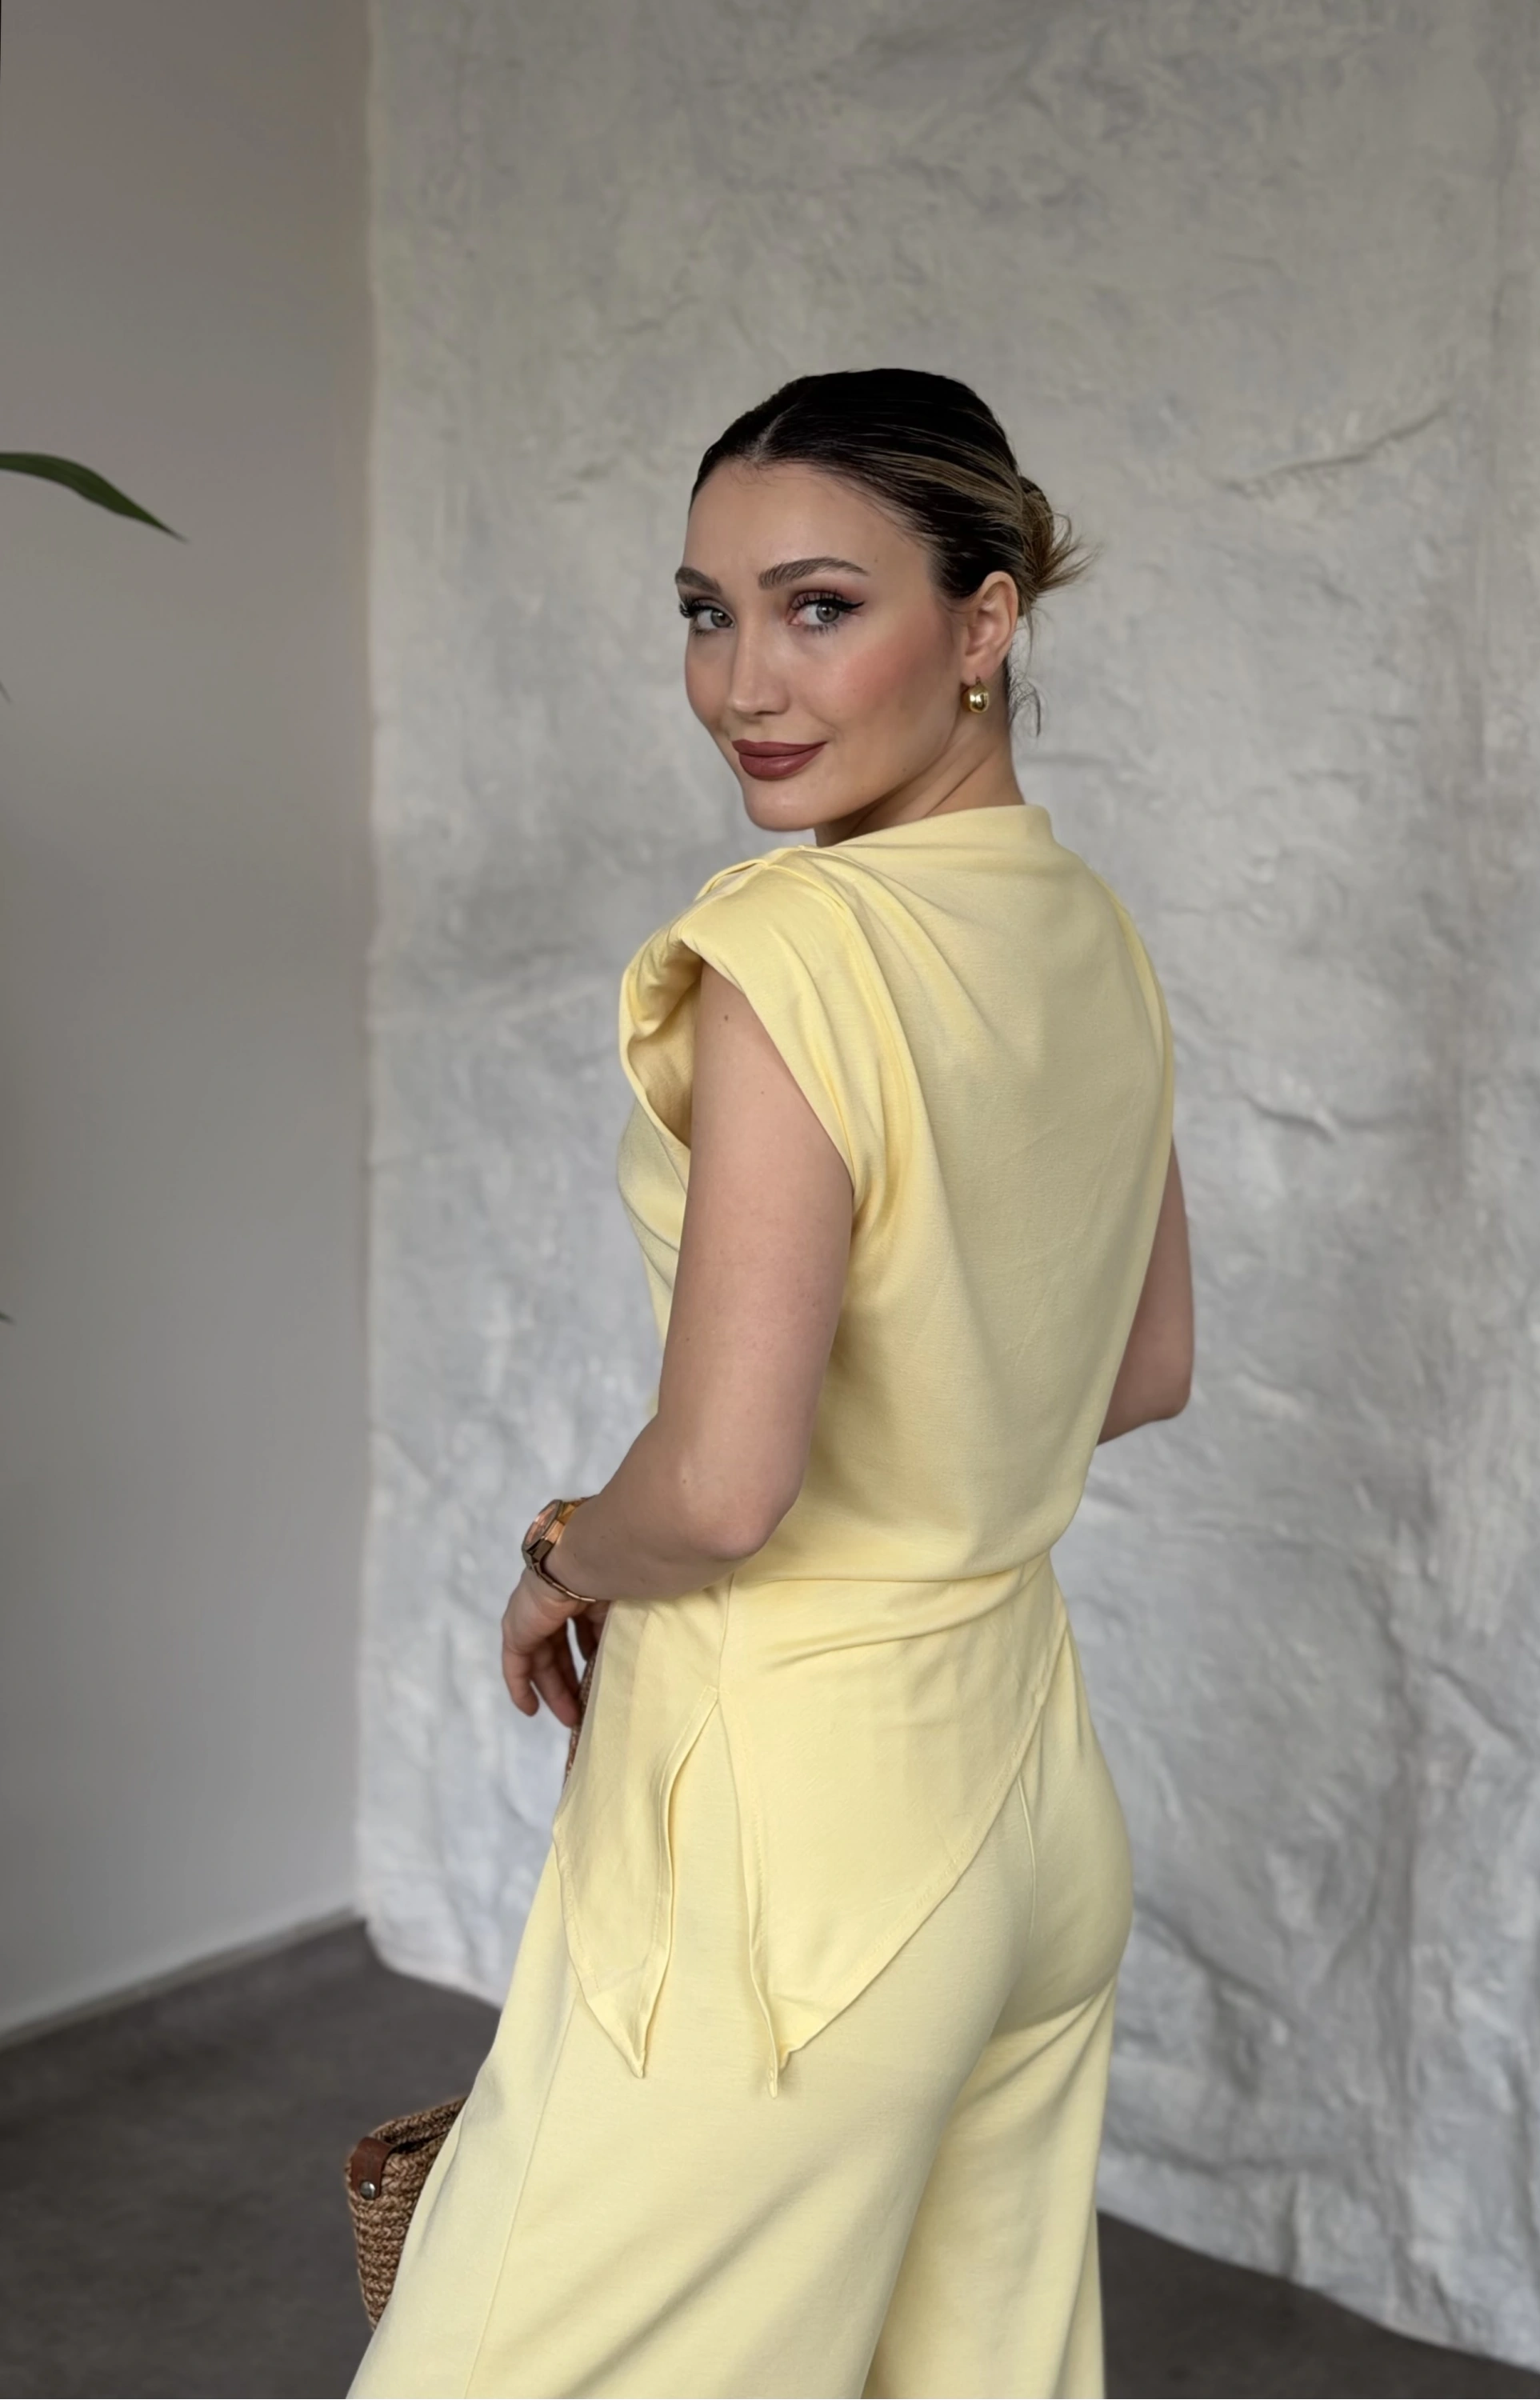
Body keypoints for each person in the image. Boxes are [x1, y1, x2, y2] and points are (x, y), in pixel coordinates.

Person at [350, 367, 1193, 2400]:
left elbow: (726, 1489)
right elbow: (1144, 1362)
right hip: (1024, 1798)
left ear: (983, 621)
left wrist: (566, 1550)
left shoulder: (796, 948)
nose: (743, 681)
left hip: (793, 1851)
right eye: (704, 612)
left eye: (819, 606)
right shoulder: (1081, 929)